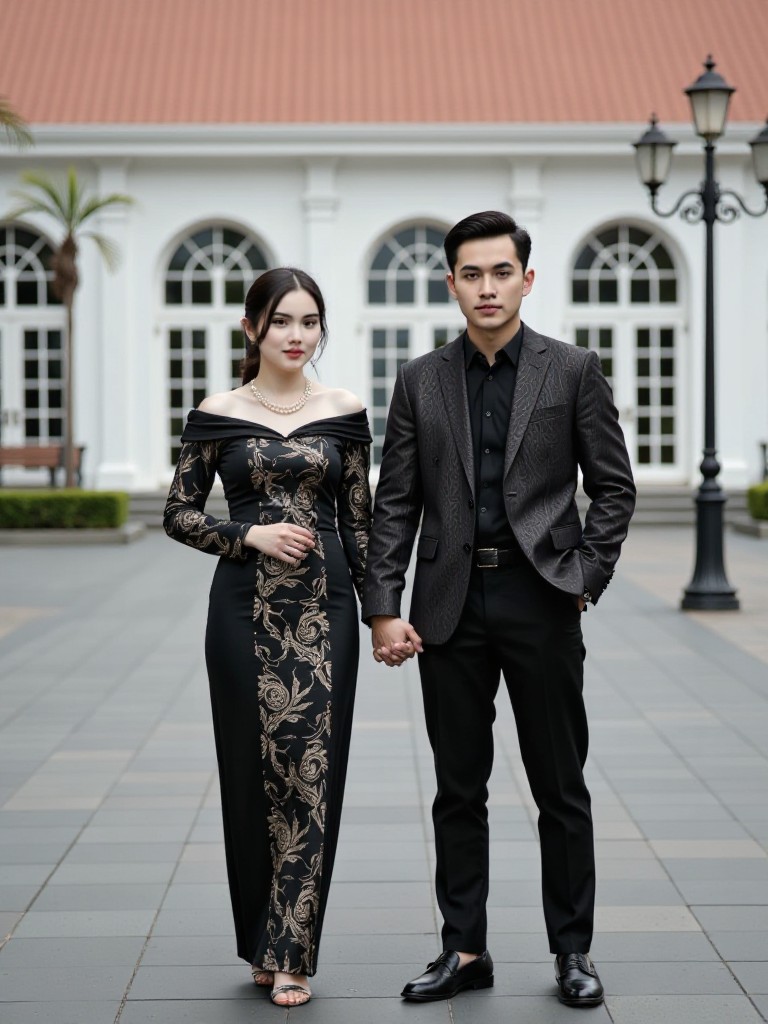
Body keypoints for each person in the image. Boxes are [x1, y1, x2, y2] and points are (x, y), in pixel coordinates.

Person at [362, 211, 636, 1007]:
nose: (488, 287)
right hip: (447, 606)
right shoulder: (420, 380)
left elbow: (613, 488)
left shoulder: (572, 370)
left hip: (541, 598)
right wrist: (383, 606)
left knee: (560, 785)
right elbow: (395, 502)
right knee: (457, 788)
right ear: (452, 283)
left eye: (502, 272)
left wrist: (584, 576)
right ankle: (464, 949)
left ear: (527, 278)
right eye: (472, 274)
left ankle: (573, 951)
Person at [164, 267, 372, 1007]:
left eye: (309, 321)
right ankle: (261, 937)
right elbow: (179, 513)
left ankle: (292, 951)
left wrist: (383, 612)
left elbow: (360, 522)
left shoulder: (344, 411)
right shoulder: (216, 412)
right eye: (282, 320)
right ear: (252, 327)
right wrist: (247, 534)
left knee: (312, 774)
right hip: (241, 614)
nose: (296, 335)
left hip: (327, 612)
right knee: (251, 773)